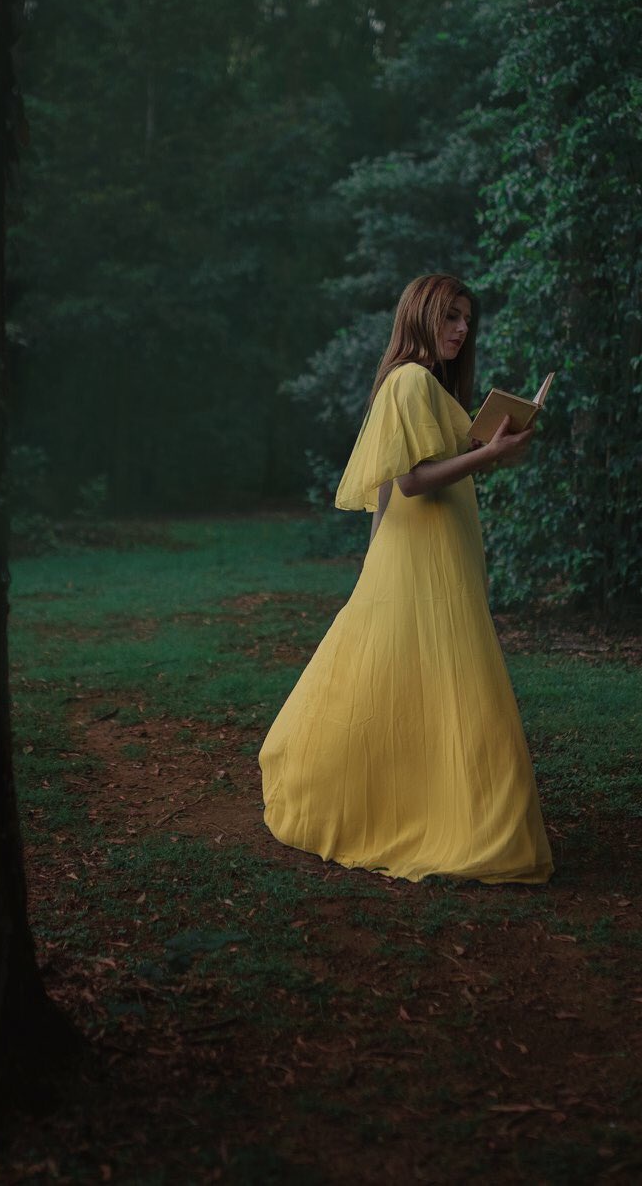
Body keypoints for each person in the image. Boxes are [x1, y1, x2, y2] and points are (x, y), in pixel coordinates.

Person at [257, 273, 554, 884]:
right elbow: (412, 480)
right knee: (457, 678)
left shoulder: (420, 385)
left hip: (431, 551)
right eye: (449, 316)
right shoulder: (412, 380)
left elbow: (407, 480)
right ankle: (470, 824)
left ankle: (421, 803)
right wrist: (491, 455)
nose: (461, 329)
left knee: (412, 678)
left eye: (467, 320)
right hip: (424, 553)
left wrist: (490, 450)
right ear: (419, 315)